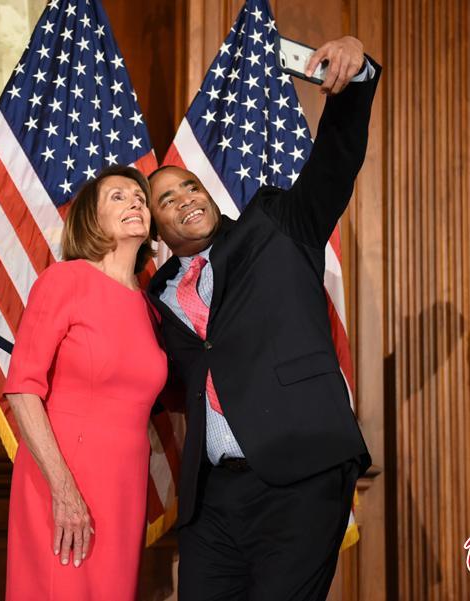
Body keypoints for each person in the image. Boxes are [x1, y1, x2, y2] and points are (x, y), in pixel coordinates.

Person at [146, 36, 381, 600]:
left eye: (190, 187)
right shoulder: (157, 297)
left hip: (300, 475)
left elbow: (335, 164)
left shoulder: (277, 225)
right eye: (166, 199)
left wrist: (356, 79)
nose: (185, 199)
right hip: (213, 502)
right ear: (154, 230)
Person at [3, 166, 167, 600]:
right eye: (118, 196)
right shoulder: (66, 280)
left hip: (125, 489)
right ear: (90, 220)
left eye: (139, 196)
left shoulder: (149, 309)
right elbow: (22, 388)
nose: (135, 201)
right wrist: (64, 489)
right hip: (64, 477)